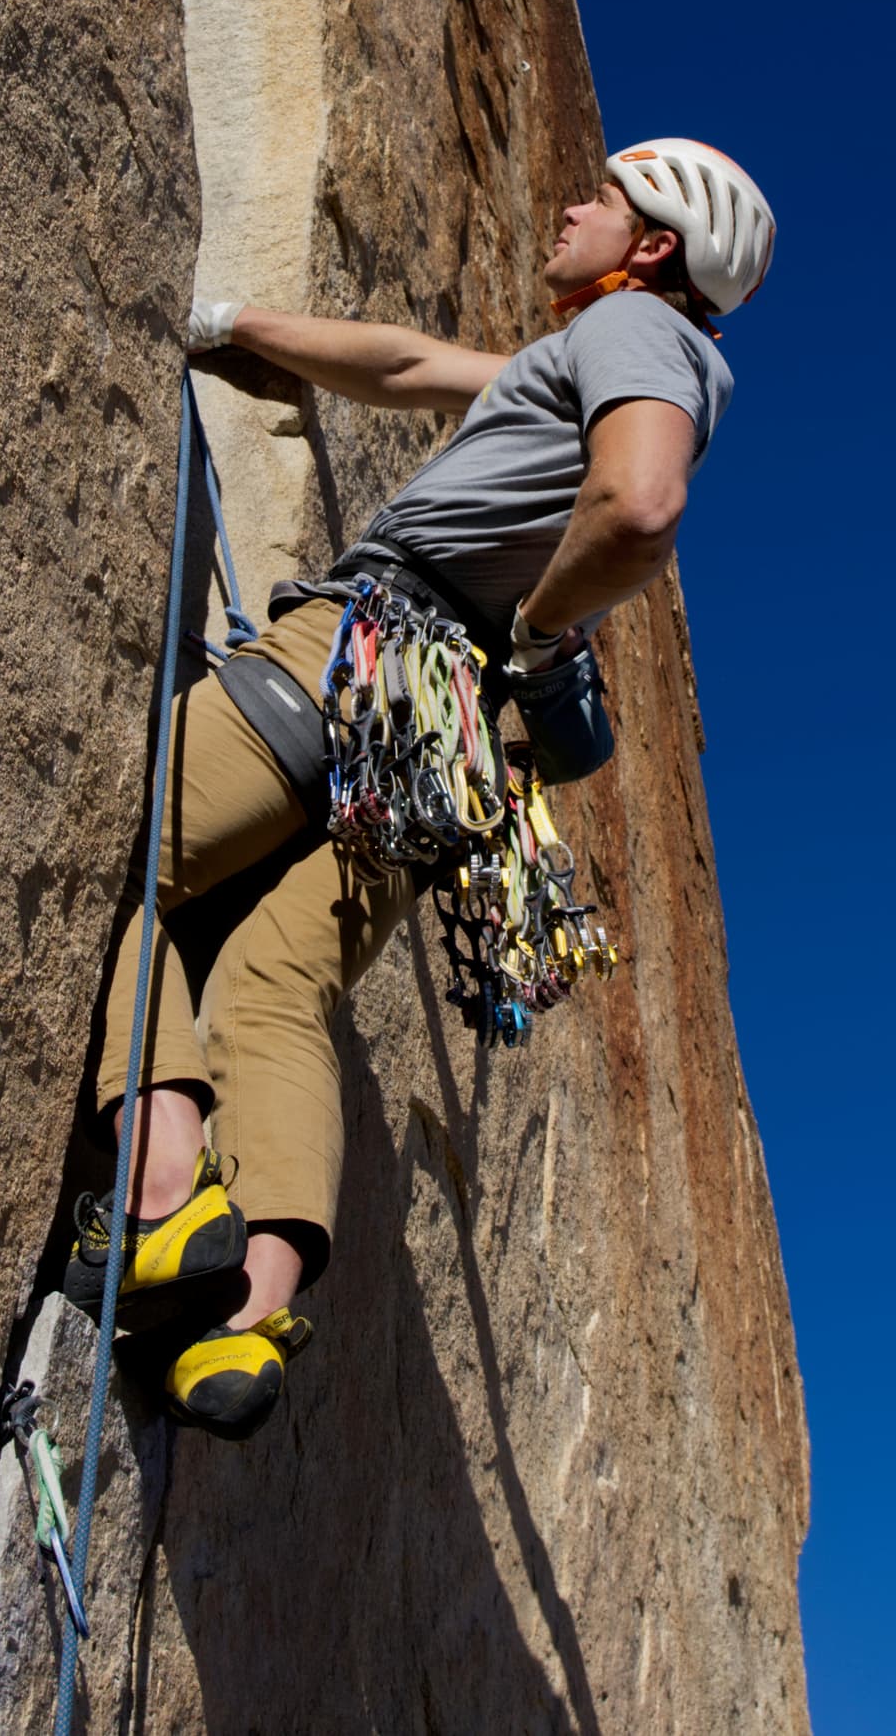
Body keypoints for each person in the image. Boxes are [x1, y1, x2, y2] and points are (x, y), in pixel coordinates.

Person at [73, 138, 777, 1438]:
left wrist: (544, 627)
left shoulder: (640, 337)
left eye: (603, 197)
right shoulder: (577, 364)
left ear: (653, 248)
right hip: (443, 738)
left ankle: (165, 1199)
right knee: (278, 985)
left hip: (371, 648)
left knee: (137, 864)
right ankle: (246, 1320)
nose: (569, 203)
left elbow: (637, 504)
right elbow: (404, 364)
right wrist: (232, 322)